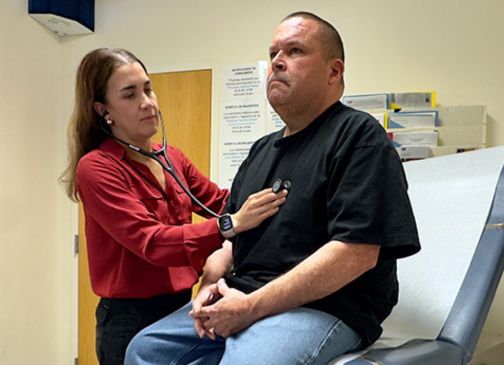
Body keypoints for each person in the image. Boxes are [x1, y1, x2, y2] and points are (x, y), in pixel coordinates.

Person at [125, 11, 421, 365]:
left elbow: (355, 253)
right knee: (145, 351)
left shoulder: (358, 137)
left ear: (334, 71)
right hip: (242, 295)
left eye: (295, 51)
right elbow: (233, 243)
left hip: (324, 306)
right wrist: (208, 283)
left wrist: (251, 307)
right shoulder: (261, 151)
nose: (278, 63)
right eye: (273, 54)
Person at [59, 48, 287, 365]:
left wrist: (280, 192)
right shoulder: (97, 168)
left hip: (180, 305)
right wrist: (231, 224)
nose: (147, 102)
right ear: (103, 110)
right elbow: (152, 242)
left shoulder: (171, 158)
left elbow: (221, 201)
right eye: (130, 94)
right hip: (129, 319)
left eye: (147, 89)